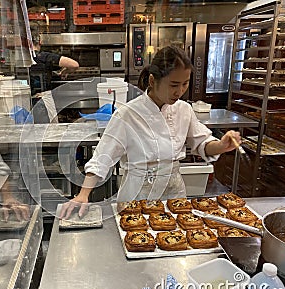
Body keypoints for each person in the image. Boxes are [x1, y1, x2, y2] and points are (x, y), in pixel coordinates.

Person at [59, 45, 241, 219]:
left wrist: (221, 146)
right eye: (174, 85)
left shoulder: (184, 109)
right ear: (153, 81)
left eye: (185, 84)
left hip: (174, 194)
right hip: (137, 195)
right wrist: (83, 195)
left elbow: (202, 144)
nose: (180, 91)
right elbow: (102, 159)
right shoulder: (127, 114)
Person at [29, 30, 79, 95]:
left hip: (27, 97)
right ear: (40, 42)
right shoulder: (45, 57)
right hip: (44, 97)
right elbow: (74, 65)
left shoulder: (23, 58)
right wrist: (65, 72)